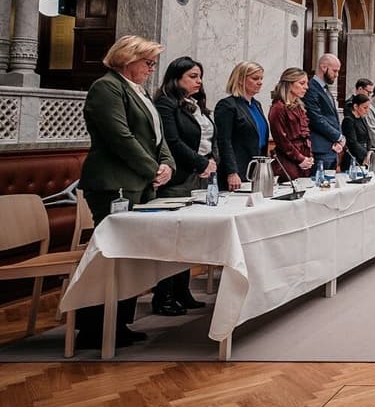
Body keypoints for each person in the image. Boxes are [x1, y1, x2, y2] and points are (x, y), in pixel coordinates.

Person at [76, 35, 175, 348]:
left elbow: (158, 137)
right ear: (125, 59)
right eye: (147, 62)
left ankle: (120, 323)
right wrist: (151, 169)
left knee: (131, 255)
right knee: (110, 254)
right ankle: (94, 327)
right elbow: (120, 136)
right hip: (113, 184)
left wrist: (166, 164)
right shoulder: (107, 87)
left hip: (140, 183)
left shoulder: (140, 91)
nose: (151, 68)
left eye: (153, 63)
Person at [152, 56, 216, 315]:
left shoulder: (195, 105)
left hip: (200, 174)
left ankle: (182, 289)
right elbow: (173, 142)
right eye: (192, 76)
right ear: (176, 78)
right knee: (173, 238)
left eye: (200, 76)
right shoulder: (166, 104)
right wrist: (201, 162)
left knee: (190, 236)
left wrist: (212, 160)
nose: (199, 81)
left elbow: (210, 137)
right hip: (179, 177)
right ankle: (163, 295)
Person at [214, 61, 269, 191]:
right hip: (237, 168)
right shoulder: (227, 105)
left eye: (261, 78)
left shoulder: (257, 105)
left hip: (255, 167)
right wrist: (232, 172)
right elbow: (223, 141)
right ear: (240, 80)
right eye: (255, 78)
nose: (260, 82)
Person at [268, 67, 315, 181]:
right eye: (302, 83)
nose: (306, 87)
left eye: (306, 84)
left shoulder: (299, 107)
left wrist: (309, 158)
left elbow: (306, 135)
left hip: (304, 160)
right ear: (289, 84)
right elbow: (281, 139)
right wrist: (300, 159)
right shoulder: (278, 108)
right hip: (288, 161)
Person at [304, 53, 346, 172]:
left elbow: (333, 118)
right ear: (323, 67)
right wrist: (338, 136)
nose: (337, 75)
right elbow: (316, 119)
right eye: (334, 71)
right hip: (320, 149)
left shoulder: (325, 89)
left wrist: (339, 138)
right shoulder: (311, 88)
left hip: (332, 148)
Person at [341, 93, 372, 169]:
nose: (367, 111)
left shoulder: (362, 119)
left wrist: (369, 152)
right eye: (365, 108)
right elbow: (352, 142)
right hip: (353, 159)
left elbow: (368, 137)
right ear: (355, 106)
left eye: (368, 108)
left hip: (364, 157)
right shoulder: (348, 120)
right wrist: (365, 155)